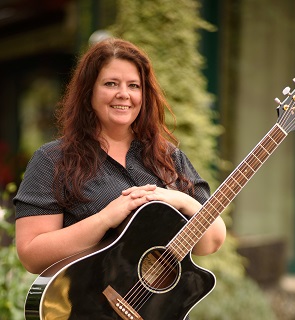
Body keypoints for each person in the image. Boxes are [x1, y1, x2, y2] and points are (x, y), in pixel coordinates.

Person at [13, 38, 226, 317]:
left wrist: (180, 200)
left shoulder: (167, 158)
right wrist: (105, 218)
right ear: (89, 91)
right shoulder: (53, 160)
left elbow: (210, 241)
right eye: (111, 83)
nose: (123, 94)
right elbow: (31, 254)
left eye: (133, 86)